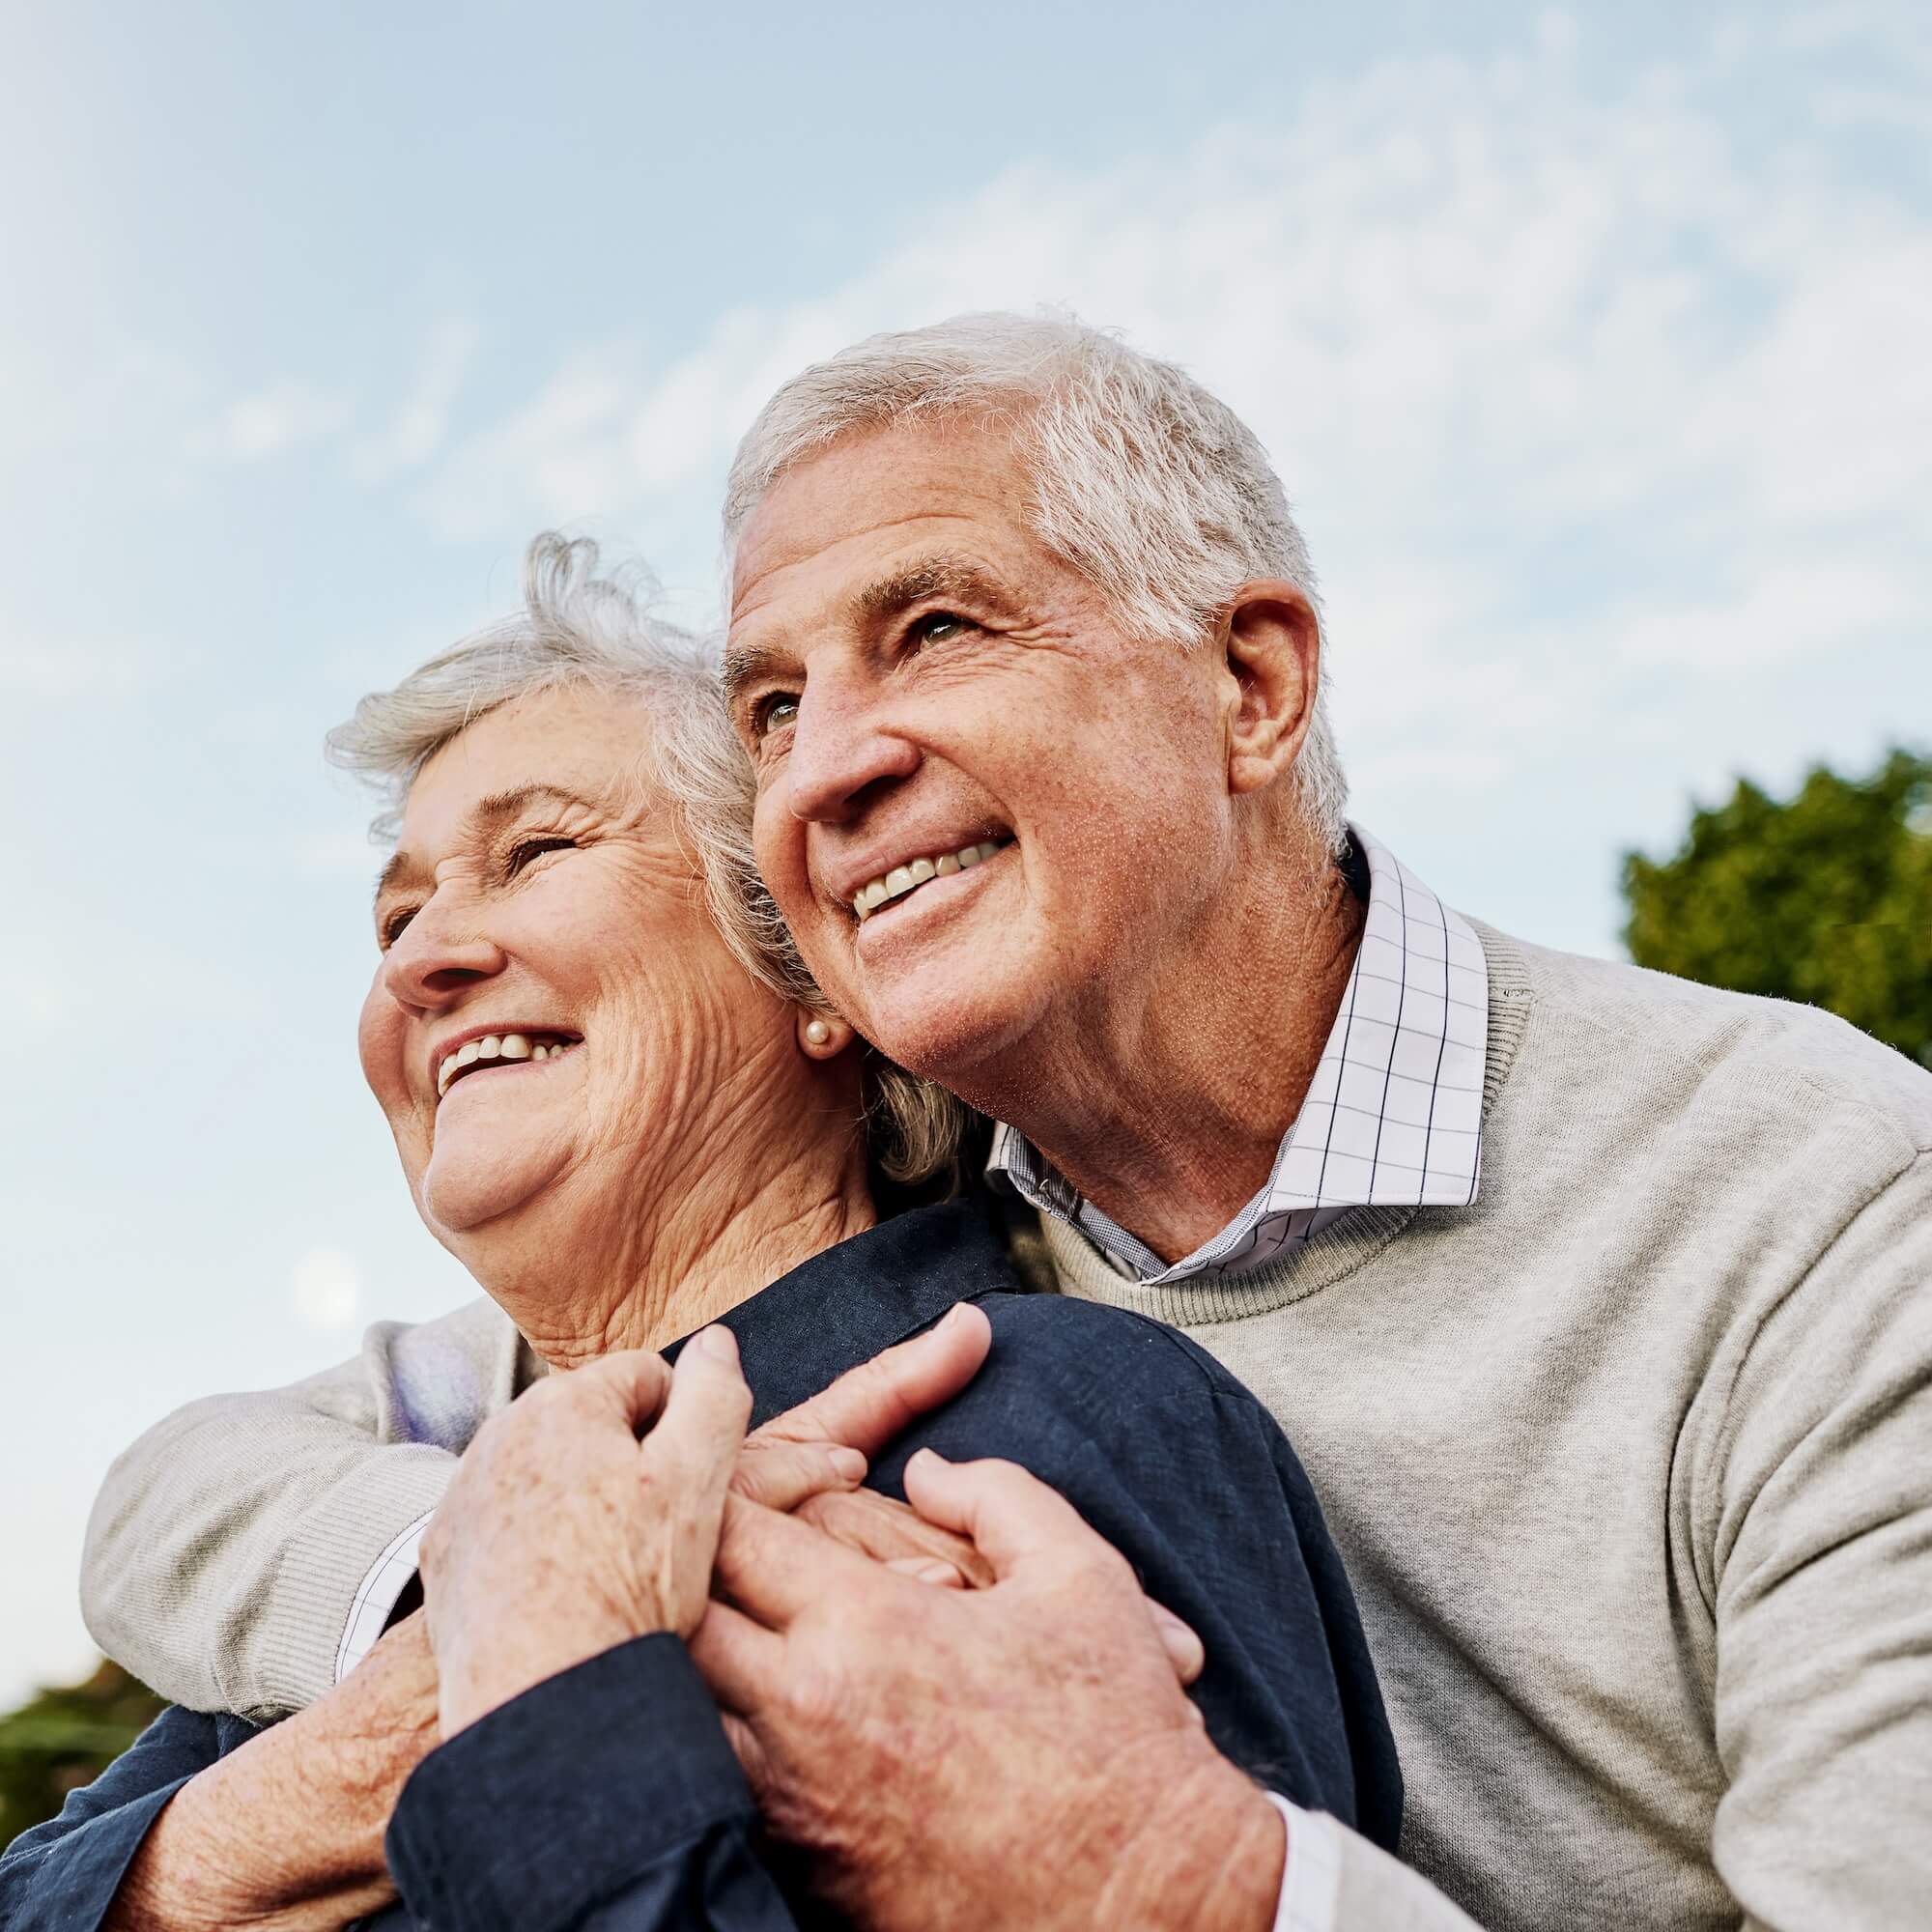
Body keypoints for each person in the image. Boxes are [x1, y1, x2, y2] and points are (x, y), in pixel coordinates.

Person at [81, 309, 1932, 1927]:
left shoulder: (1822, 1208)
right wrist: (490, 1599)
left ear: (1252, 683)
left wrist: (1187, 1887)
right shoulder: (851, 1283)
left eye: (939, 628)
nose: (830, 765)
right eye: (776, 700)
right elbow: (194, 1492)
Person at [4, 537, 1400, 1930]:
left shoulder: (1049, 1425)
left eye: (536, 850)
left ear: (813, 972)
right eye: (398, 913)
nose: (420, 962)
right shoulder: (390, 1530)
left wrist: (540, 1689)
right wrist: (409, 1708)